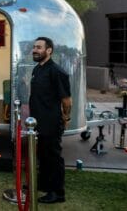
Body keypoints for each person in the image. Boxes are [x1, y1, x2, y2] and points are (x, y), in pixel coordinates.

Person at [29, 37, 72, 204]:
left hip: (51, 122)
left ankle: (57, 193)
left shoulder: (56, 71)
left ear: (49, 50)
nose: (35, 50)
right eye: (34, 47)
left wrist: (65, 117)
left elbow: (66, 100)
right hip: (38, 122)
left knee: (53, 157)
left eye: (39, 47)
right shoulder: (37, 69)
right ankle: (44, 184)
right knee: (42, 155)